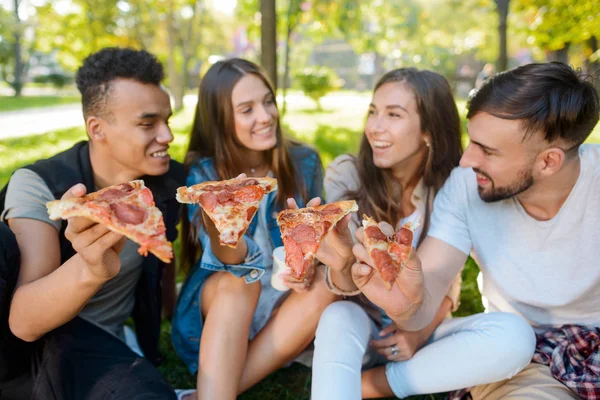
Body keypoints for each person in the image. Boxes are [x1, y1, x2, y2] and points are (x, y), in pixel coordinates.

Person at [351, 62, 600, 399]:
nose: (466, 160)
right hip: (524, 357)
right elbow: (431, 282)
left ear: (548, 162)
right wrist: (406, 305)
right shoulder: (465, 188)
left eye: (488, 151)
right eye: (472, 142)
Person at [310, 67, 535, 400]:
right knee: (337, 316)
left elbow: (447, 280)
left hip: (426, 332)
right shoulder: (347, 174)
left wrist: (417, 334)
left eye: (393, 115)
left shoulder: (455, 187)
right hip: (362, 321)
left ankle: (374, 383)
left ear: (428, 131)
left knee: (514, 335)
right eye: (373, 112)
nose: (375, 127)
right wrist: (341, 262)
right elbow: (342, 287)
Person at [0, 47, 184, 399]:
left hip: (93, 346)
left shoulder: (170, 184)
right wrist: (91, 268)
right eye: (148, 124)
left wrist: (171, 318)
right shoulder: (41, 183)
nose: (167, 136)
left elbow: (164, 258)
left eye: (167, 120)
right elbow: (23, 322)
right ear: (97, 129)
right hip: (18, 348)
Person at [171, 58, 338, 400]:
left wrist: (307, 267)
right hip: (224, 304)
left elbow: (316, 244)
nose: (265, 116)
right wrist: (226, 225)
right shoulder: (203, 175)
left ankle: (202, 395)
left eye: (267, 102)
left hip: (285, 304)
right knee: (239, 281)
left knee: (327, 286)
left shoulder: (304, 161)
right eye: (247, 109)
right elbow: (228, 259)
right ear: (220, 121)